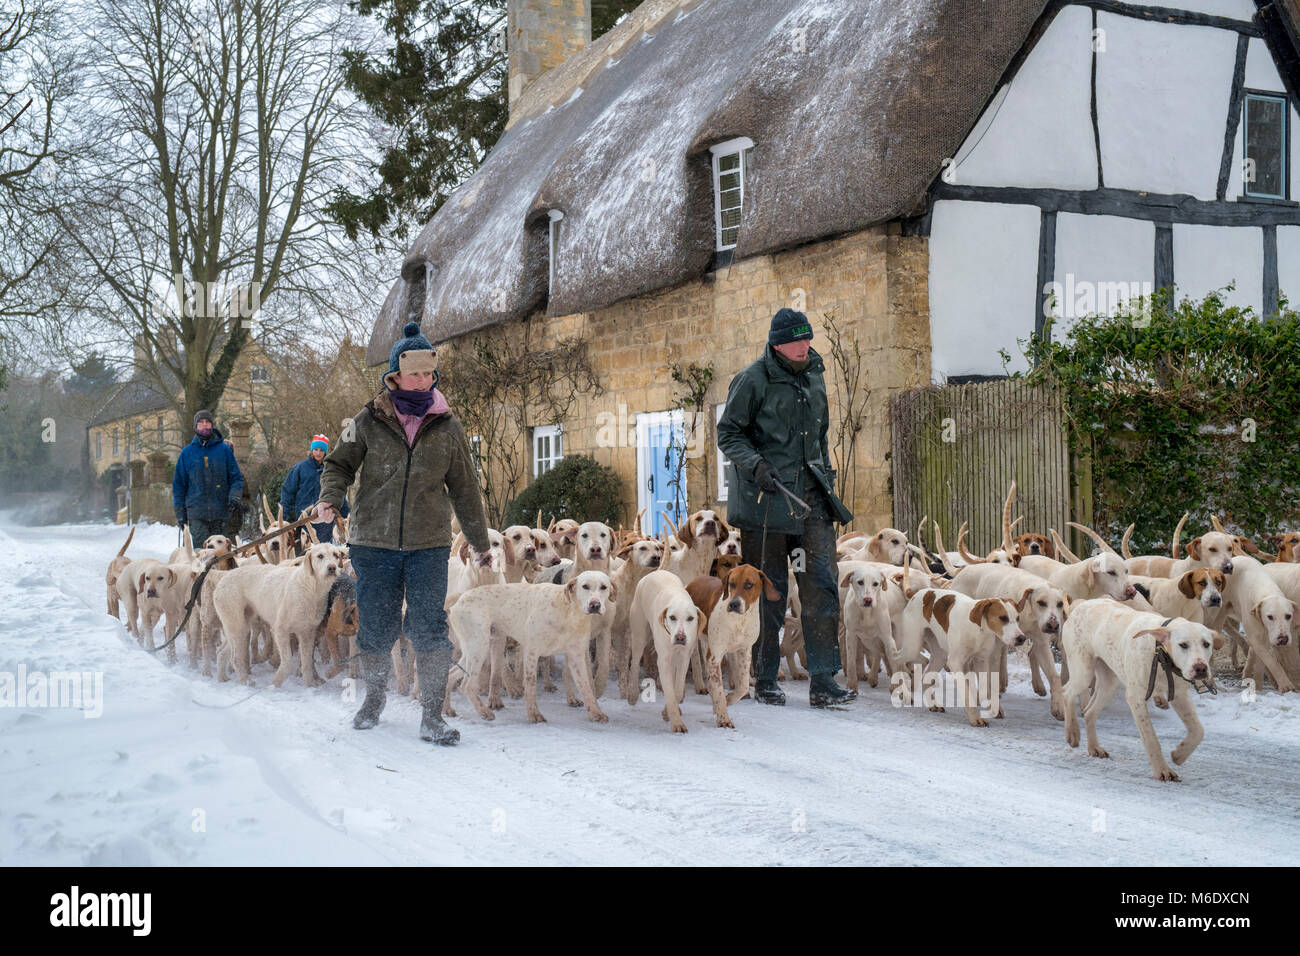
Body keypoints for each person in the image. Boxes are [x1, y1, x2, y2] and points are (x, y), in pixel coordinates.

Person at [311, 321, 490, 745]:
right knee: (377, 625)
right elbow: (337, 464)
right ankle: (373, 698)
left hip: (429, 544)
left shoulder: (447, 426)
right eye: (414, 374)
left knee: (429, 627)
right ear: (394, 376)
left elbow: (464, 488)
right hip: (374, 541)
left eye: (429, 373)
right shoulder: (366, 421)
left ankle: (432, 716)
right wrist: (331, 497)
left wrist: (480, 543)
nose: (422, 380)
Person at [716, 308, 857, 709]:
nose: (805, 346)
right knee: (768, 589)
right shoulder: (751, 380)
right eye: (797, 340)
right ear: (777, 342)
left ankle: (824, 679)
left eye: (808, 339)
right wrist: (756, 464)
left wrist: (826, 478)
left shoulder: (814, 374)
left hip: (810, 499)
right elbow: (728, 432)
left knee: (821, 585)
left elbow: (820, 435)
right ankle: (763, 677)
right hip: (768, 502)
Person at [173, 409, 245, 549]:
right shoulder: (187, 453)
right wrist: (180, 513)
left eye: (208, 422)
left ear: (212, 425)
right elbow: (178, 486)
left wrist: (235, 497)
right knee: (199, 556)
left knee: (221, 556)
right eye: (201, 423)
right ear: (195, 427)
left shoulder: (224, 451)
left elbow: (236, 478)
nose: (205, 425)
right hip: (196, 514)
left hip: (221, 514)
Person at [280, 434, 349, 545]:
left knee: (322, 550)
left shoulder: (330, 470)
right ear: (312, 450)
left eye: (321, 450)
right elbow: (288, 491)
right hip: (304, 517)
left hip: (324, 517)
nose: (318, 453)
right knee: (304, 548)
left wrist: (346, 516)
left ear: (325, 452)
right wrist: (283, 516)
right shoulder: (300, 468)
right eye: (316, 449)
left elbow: (337, 493)